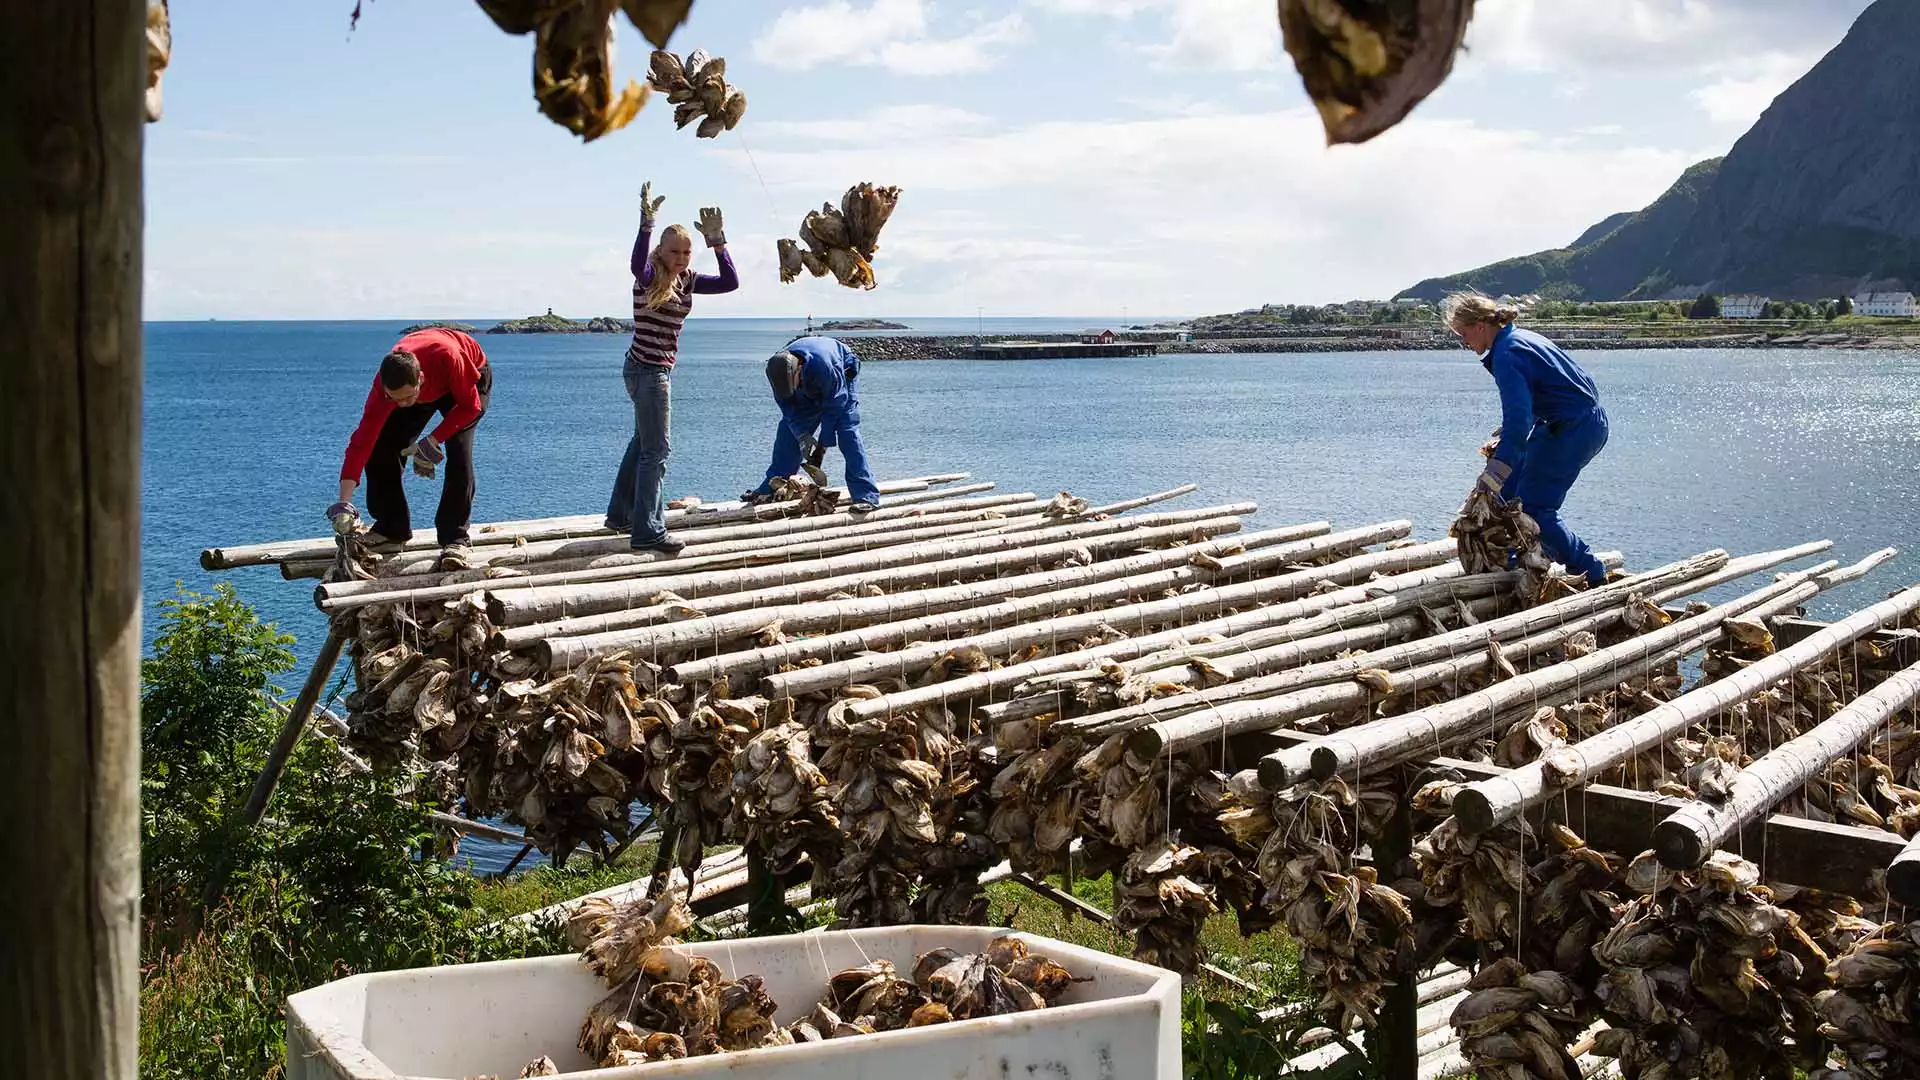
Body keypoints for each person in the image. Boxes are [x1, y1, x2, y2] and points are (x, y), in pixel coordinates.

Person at [605, 182, 738, 555]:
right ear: (660, 252)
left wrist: (718, 242)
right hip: (648, 372)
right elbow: (635, 263)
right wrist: (646, 224)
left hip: (647, 371)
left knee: (642, 444)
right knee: (657, 451)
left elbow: (730, 282)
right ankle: (648, 529)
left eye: (686, 251)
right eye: (674, 251)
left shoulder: (688, 279)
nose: (680, 258)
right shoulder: (647, 276)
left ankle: (620, 516)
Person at [1443, 292, 1610, 586]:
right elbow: (1543, 396)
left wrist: (1491, 476)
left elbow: (1519, 425)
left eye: (1464, 334)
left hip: (1573, 429)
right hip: (1571, 422)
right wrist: (1504, 446)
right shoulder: (1518, 339)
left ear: (1480, 326)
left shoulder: (1508, 354)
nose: (1464, 343)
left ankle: (1591, 572)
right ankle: (1516, 563)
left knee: (1534, 507)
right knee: (1508, 493)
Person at [327, 327, 493, 569]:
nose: (401, 405)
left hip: (468, 377)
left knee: (459, 452)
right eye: (395, 399)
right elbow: (361, 442)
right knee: (381, 447)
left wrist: (432, 440)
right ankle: (392, 527)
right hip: (420, 381)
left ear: (421, 381)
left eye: (406, 398)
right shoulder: (386, 392)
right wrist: (344, 503)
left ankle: (455, 539)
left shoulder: (450, 358)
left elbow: (471, 407)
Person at [749, 335, 880, 512]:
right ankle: (771, 487)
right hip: (810, 382)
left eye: (793, 384)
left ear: (799, 370)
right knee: (787, 433)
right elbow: (788, 410)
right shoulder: (777, 371)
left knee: (847, 433)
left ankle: (866, 496)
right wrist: (802, 436)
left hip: (841, 375)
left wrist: (822, 446)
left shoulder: (826, 367)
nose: (793, 389)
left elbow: (834, 406)